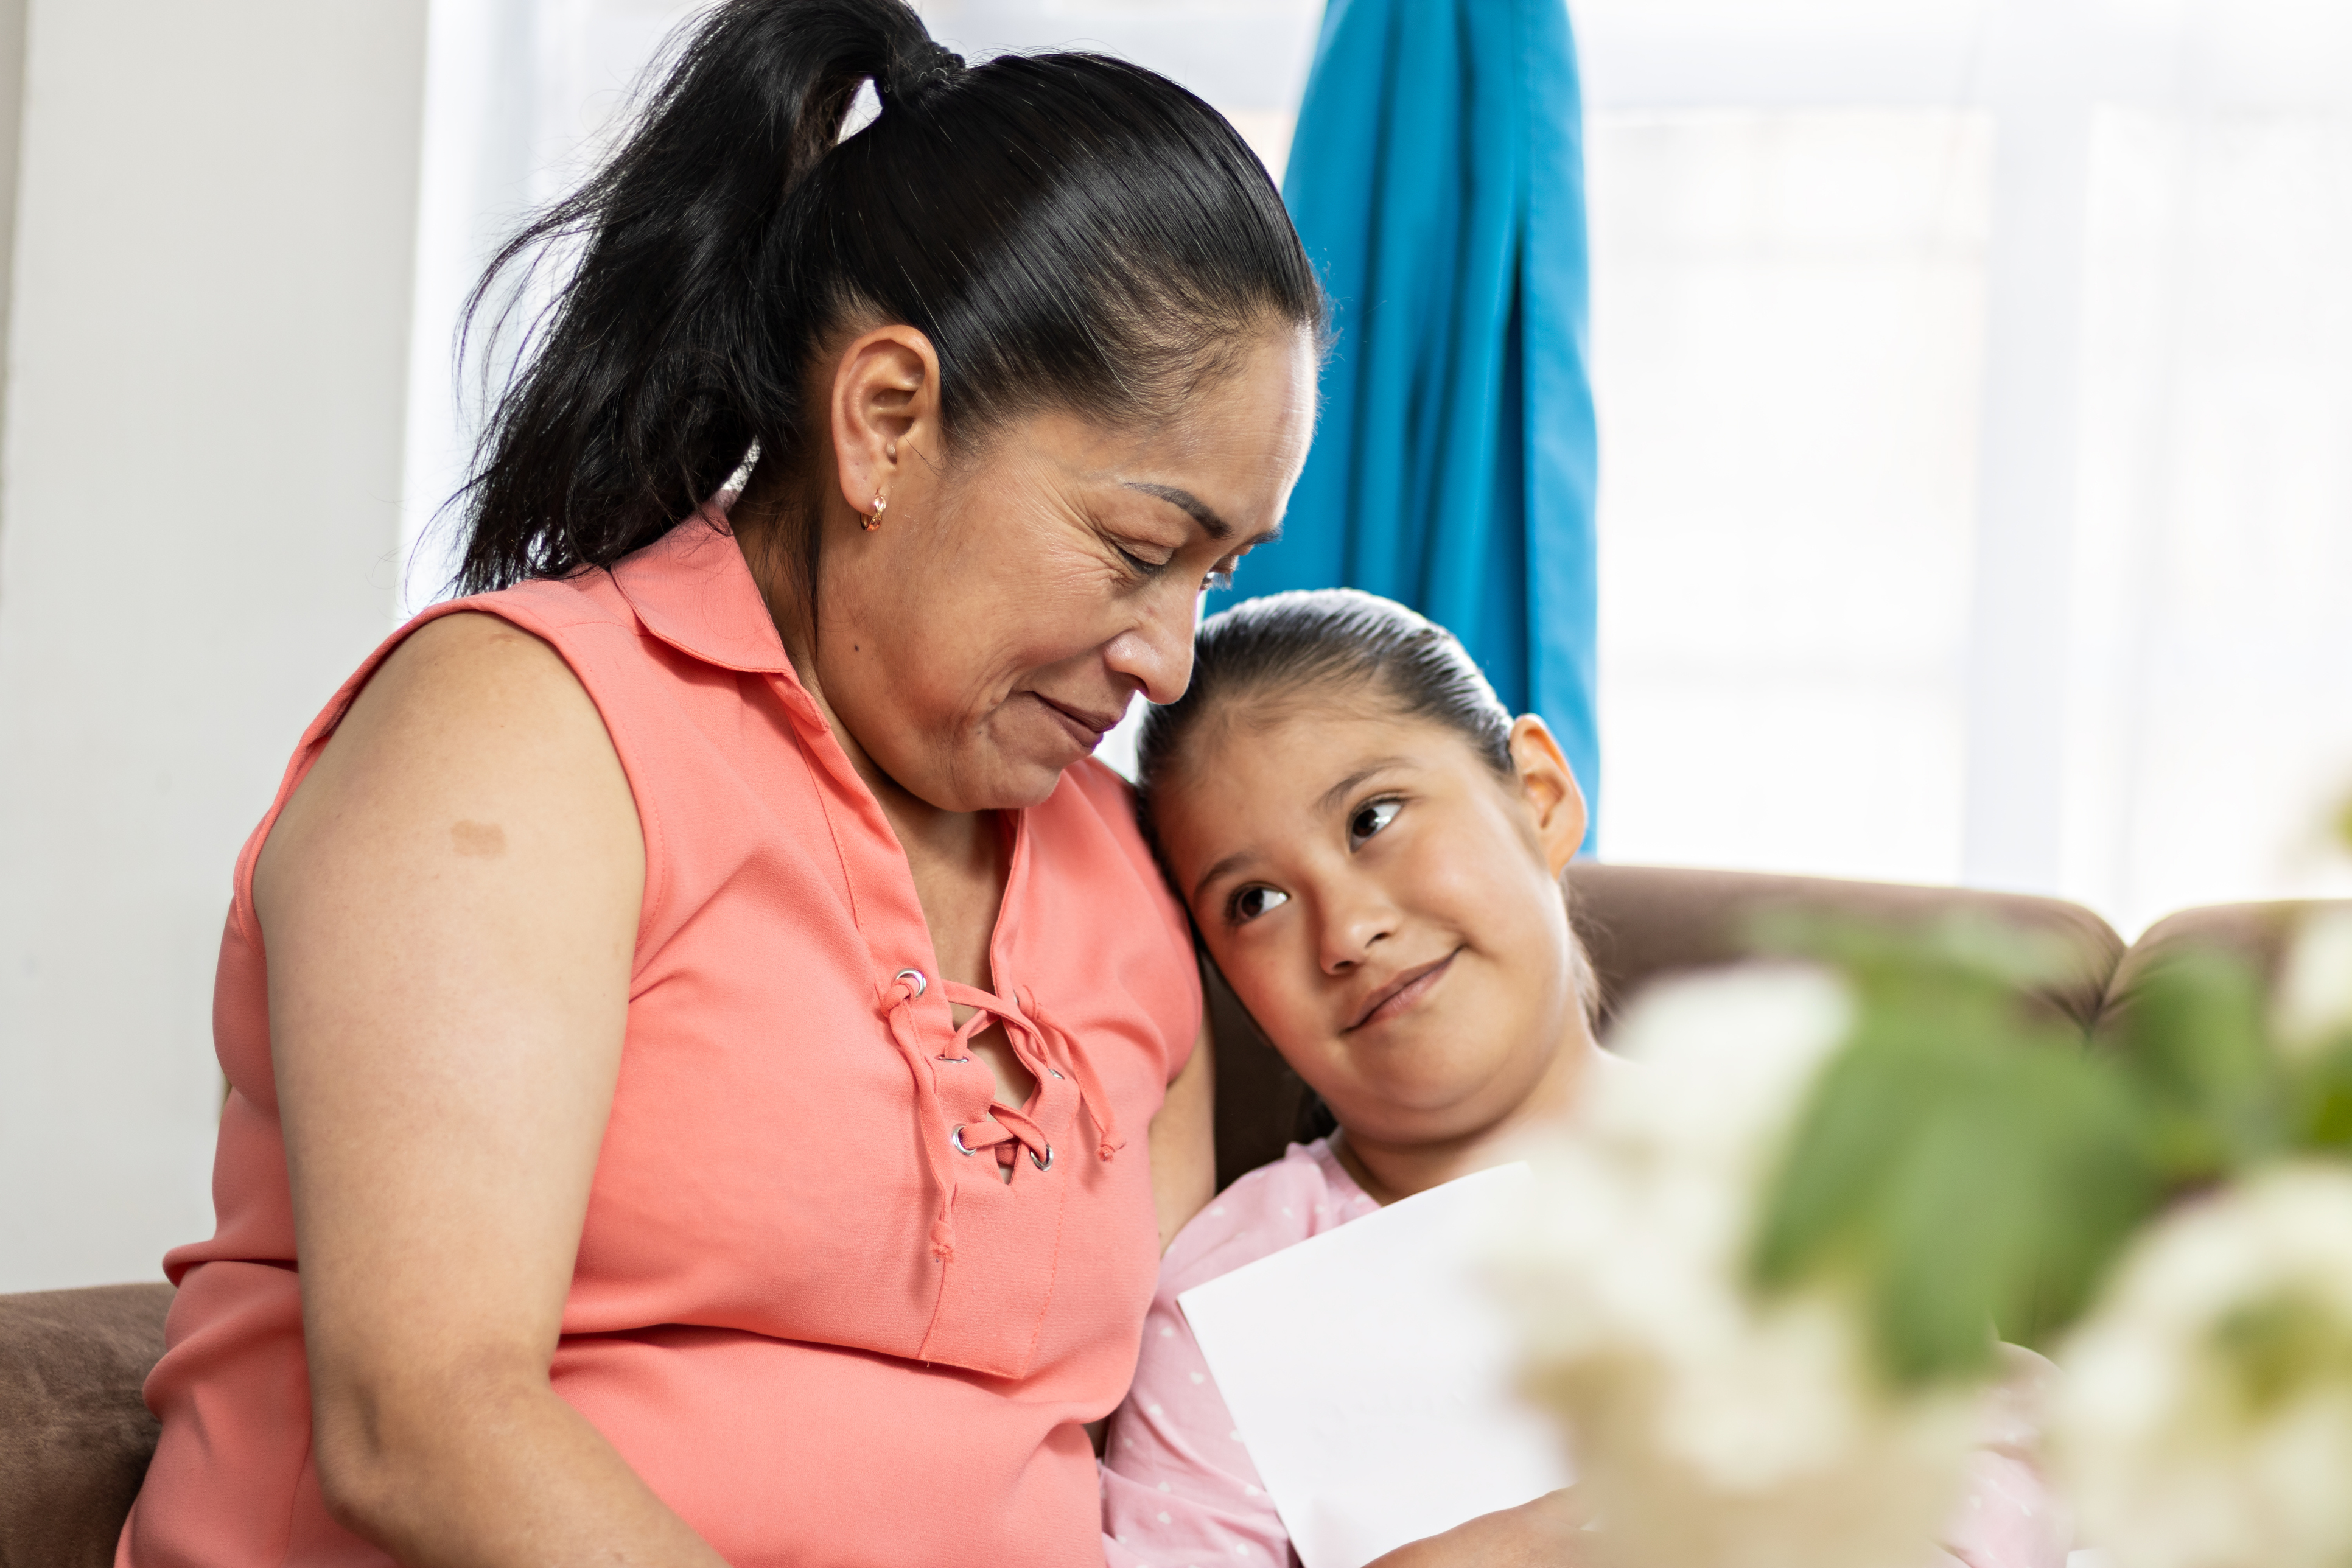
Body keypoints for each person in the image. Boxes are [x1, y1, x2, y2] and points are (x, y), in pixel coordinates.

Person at [118, 4, 1320, 1565]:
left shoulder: (1116, 871)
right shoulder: (526, 732)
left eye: (1217, 572)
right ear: (888, 419)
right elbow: (422, 1427)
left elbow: (1157, 1461)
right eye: (1142, 551)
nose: (1172, 657)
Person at [1099, 589, 2075, 1568]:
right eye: (1254, 900)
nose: (1347, 932)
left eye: (1373, 818)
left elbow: (2002, 1445)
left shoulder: (1794, 1157)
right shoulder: (1227, 1300)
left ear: (1540, 798)